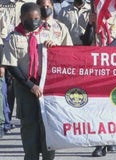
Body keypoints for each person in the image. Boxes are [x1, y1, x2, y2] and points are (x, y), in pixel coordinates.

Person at [1, 3, 58, 159]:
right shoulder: (13, 37)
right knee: (29, 125)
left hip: (46, 86)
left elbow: (61, 57)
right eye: (29, 19)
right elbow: (12, 66)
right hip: (25, 86)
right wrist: (30, 85)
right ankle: (31, 156)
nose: (34, 22)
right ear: (21, 18)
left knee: (47, 124)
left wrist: (54, 48)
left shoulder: (48, 34)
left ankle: (48, 156)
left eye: (37, 18)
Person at [81, 11, 116, 157]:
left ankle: (112, 139)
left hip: (112, 65)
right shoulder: (87, 15)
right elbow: (86, 40)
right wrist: (90, 24)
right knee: (97, 106)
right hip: (94, 67)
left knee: (113, 103)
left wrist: (107, 52)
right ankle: (99, 143)